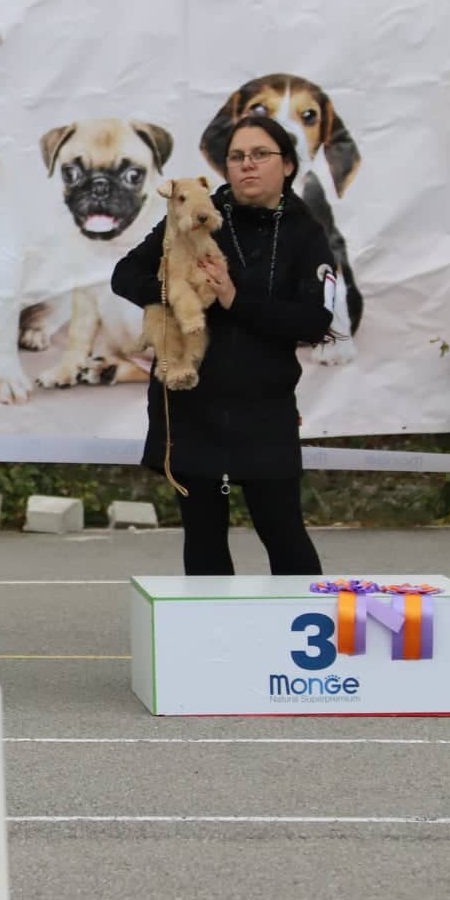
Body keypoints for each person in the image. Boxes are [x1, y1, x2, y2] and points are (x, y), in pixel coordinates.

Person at [111, 115, 336, 575]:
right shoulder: (195, 213)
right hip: (192, 402)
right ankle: (210, 626)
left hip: (264, 409)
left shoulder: (306, 233)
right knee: (203, 534)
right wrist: (176, 292)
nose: (246, 165)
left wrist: (235, 298)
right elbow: (125, 276)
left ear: (287, 165)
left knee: (283, 531)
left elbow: (315, 321)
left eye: (260, 155)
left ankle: (299, 620)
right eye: (236, 157)